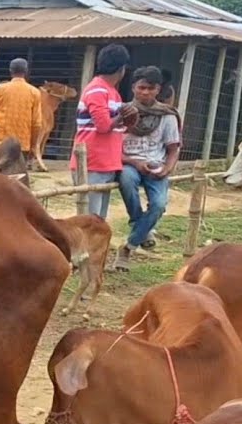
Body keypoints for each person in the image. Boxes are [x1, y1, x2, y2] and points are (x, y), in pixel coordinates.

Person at [115, 66, 182, 270]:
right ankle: (140, 225)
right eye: (141, 87)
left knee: (159, 204)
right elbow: (112, 147)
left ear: (158, 89)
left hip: (156, 165)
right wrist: (134, 162)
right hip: (129, 163)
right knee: (126, 180)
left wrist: (167, 169)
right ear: (133, 87)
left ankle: (130, 244)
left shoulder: (168, 116)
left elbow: (173, 149)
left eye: (150, 88)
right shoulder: (122, 113)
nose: (145, 92)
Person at [71, 43, 135, 219]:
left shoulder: (112, 92)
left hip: (105, 163)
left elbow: (117, 127)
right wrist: (123, 117)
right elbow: (103, 125)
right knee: (90, 219)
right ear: (122, 69)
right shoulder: (97, 90)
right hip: (93, 162)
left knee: (99, 219)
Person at [0, 58, 42, 154]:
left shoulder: (1, 89)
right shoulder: (35, 92)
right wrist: (33, 146)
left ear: (10, 71)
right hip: (22, 144)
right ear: (26, 71)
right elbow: (37, 124)